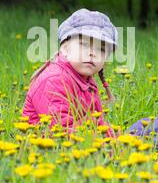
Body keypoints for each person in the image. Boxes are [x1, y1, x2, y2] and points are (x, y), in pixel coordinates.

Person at [22, 8, 118, 138]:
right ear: (65, 49)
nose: (92, 53)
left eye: (100, 49)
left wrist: (114, 138)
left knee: (144, 130)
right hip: (48, 149)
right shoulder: (55, 79)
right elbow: (61, 130)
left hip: (80, 142)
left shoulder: (87, 80)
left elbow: (97, 122)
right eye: (84, 45)